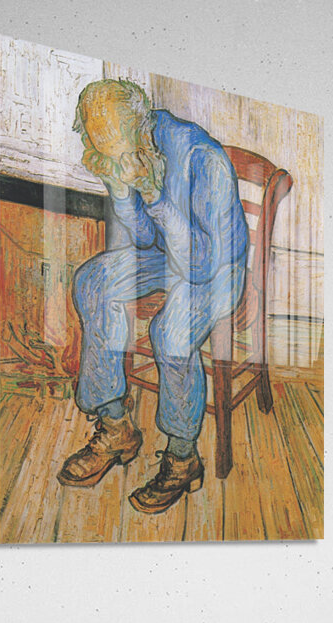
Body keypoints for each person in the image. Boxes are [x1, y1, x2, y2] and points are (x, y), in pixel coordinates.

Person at [56, 79, 248, 514]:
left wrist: (155, 195)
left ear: (142, 129)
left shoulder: (205, 160)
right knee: (92, 282)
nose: (114, 158)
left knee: (172, 334)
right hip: (165, 249)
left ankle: (183, 458)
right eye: (103, 150)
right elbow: (145, 238)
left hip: (215, 265)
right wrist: (123, 190)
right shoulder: (124, 148)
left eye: (117, 151)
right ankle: (115, 427)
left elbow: (201, 264)